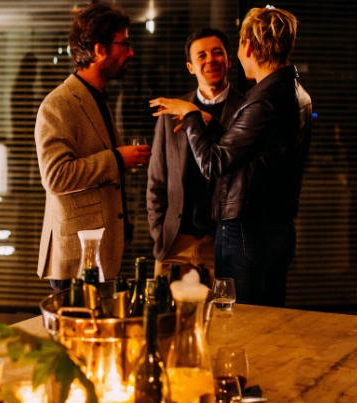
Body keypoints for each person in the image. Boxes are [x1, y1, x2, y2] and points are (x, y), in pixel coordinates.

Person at [150, 6, 312, 306]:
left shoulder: (260, 102)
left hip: (248, 233)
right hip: (267, 229)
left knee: (242, 320)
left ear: (246, 47)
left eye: (226, 49)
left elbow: (214, 163)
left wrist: (192, 116)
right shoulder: (295, 93)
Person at [35, 2, 150, 291]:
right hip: (75, 258)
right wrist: (117, 159)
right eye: (125, 44)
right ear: (99, 50)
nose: (131, 53)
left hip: (100, 252)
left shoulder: (97, 96)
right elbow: (56, 177)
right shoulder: (58, 104)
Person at [146, 28, 244, 280]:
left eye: (217, 53)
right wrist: (159, 233)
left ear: (229, 61)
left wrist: (208, 122)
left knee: (225, 307)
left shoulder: (246, 110)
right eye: (202, 55)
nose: (210, 60)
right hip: (175, 242)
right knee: (165, 307)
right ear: (190, 67)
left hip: (222, 241)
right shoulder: (171, 112)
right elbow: (157, 181)